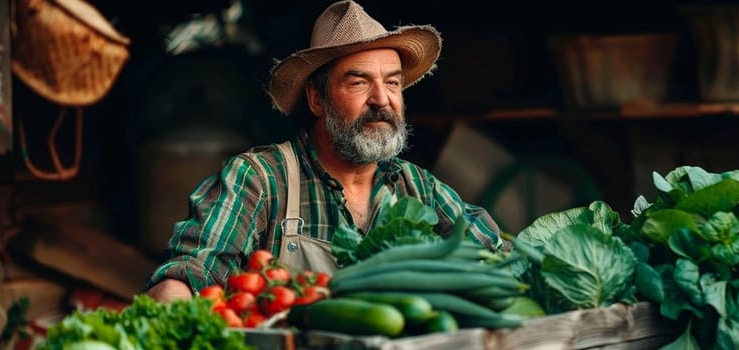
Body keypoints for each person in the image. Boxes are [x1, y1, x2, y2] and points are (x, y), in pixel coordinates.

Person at [145, 0, 504, 303]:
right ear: (317, 100)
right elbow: (195, 271)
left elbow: (494, 256)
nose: (382, 99)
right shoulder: (261, 179)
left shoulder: (415, 186)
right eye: (359, 82)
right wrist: (174, 306)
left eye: (392, 82)